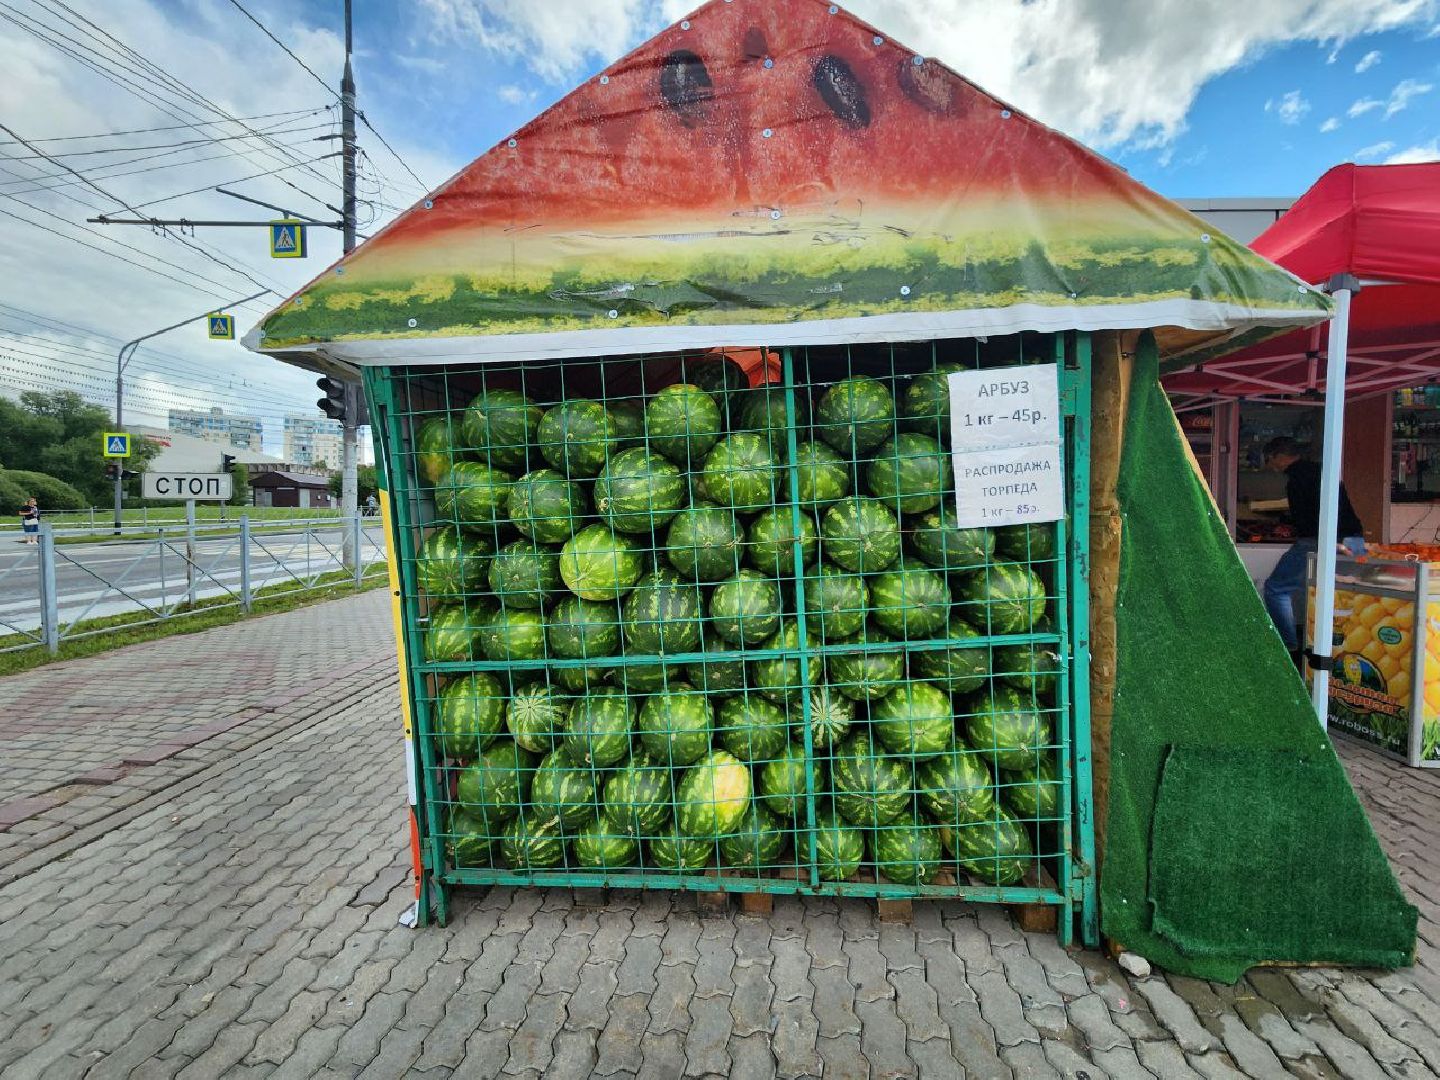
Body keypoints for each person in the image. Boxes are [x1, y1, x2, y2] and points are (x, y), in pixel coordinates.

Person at [1261, 436, 1366, 664]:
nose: (1270, 465)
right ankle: (1354, 648)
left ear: (1281, 456)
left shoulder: (1296, 479)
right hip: (1354, 538)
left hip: (1322, 540)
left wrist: (1284, 522)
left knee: (1276, 589)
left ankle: (1289, 647)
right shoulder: (1324, 471)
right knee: (1354, 596)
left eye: (1269, 459)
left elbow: (1305, 521)